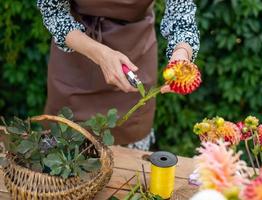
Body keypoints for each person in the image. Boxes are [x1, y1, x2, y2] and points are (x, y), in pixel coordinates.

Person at [37, 0, 200, 150]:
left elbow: (182, 17)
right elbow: (53, 13)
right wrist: (101, 54)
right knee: (64, 155)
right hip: (75, 59)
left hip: (134, 64)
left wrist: (181, 55)